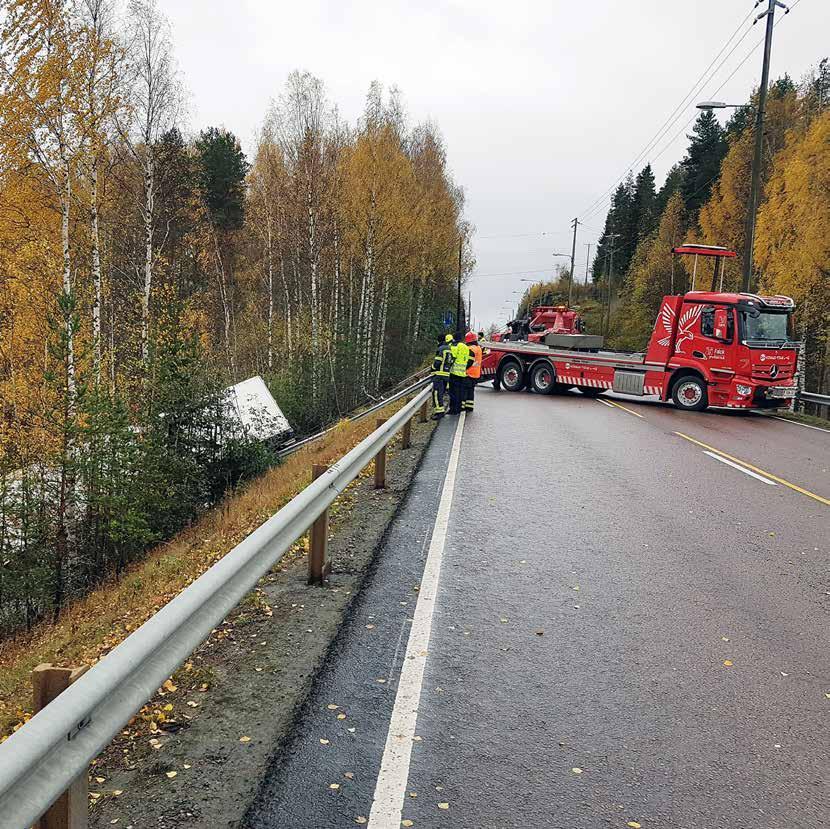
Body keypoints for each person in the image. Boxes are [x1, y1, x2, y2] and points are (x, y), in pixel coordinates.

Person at [430, 333, 454, 419]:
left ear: (438, 340)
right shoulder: (449, 348)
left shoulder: (440, 349)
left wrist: (432, 368)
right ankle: (440, 411)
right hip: (446, 375)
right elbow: (451, 361)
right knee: (441, 393)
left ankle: (439, 412)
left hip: (439, 375)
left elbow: (437, 362)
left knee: (436, 393)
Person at [448, 332, 472, 415]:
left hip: (454, 372)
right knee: (460, 392)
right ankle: (458, 409)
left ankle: (453, 410)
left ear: (454, 338)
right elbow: (469, 360)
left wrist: (447, 369)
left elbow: (452, 359)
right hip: (462, 373)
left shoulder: (455, 346)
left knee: (453, 392)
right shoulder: (465, 347)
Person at [464, 331, 482, 413]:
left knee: (466, 390)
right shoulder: (478, 348)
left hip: (469, 373)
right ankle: (470, 406)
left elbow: (469, 362)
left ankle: (465, 406)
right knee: (471, 390)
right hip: (476, 373)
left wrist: (464, 368)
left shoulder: (471, 349)